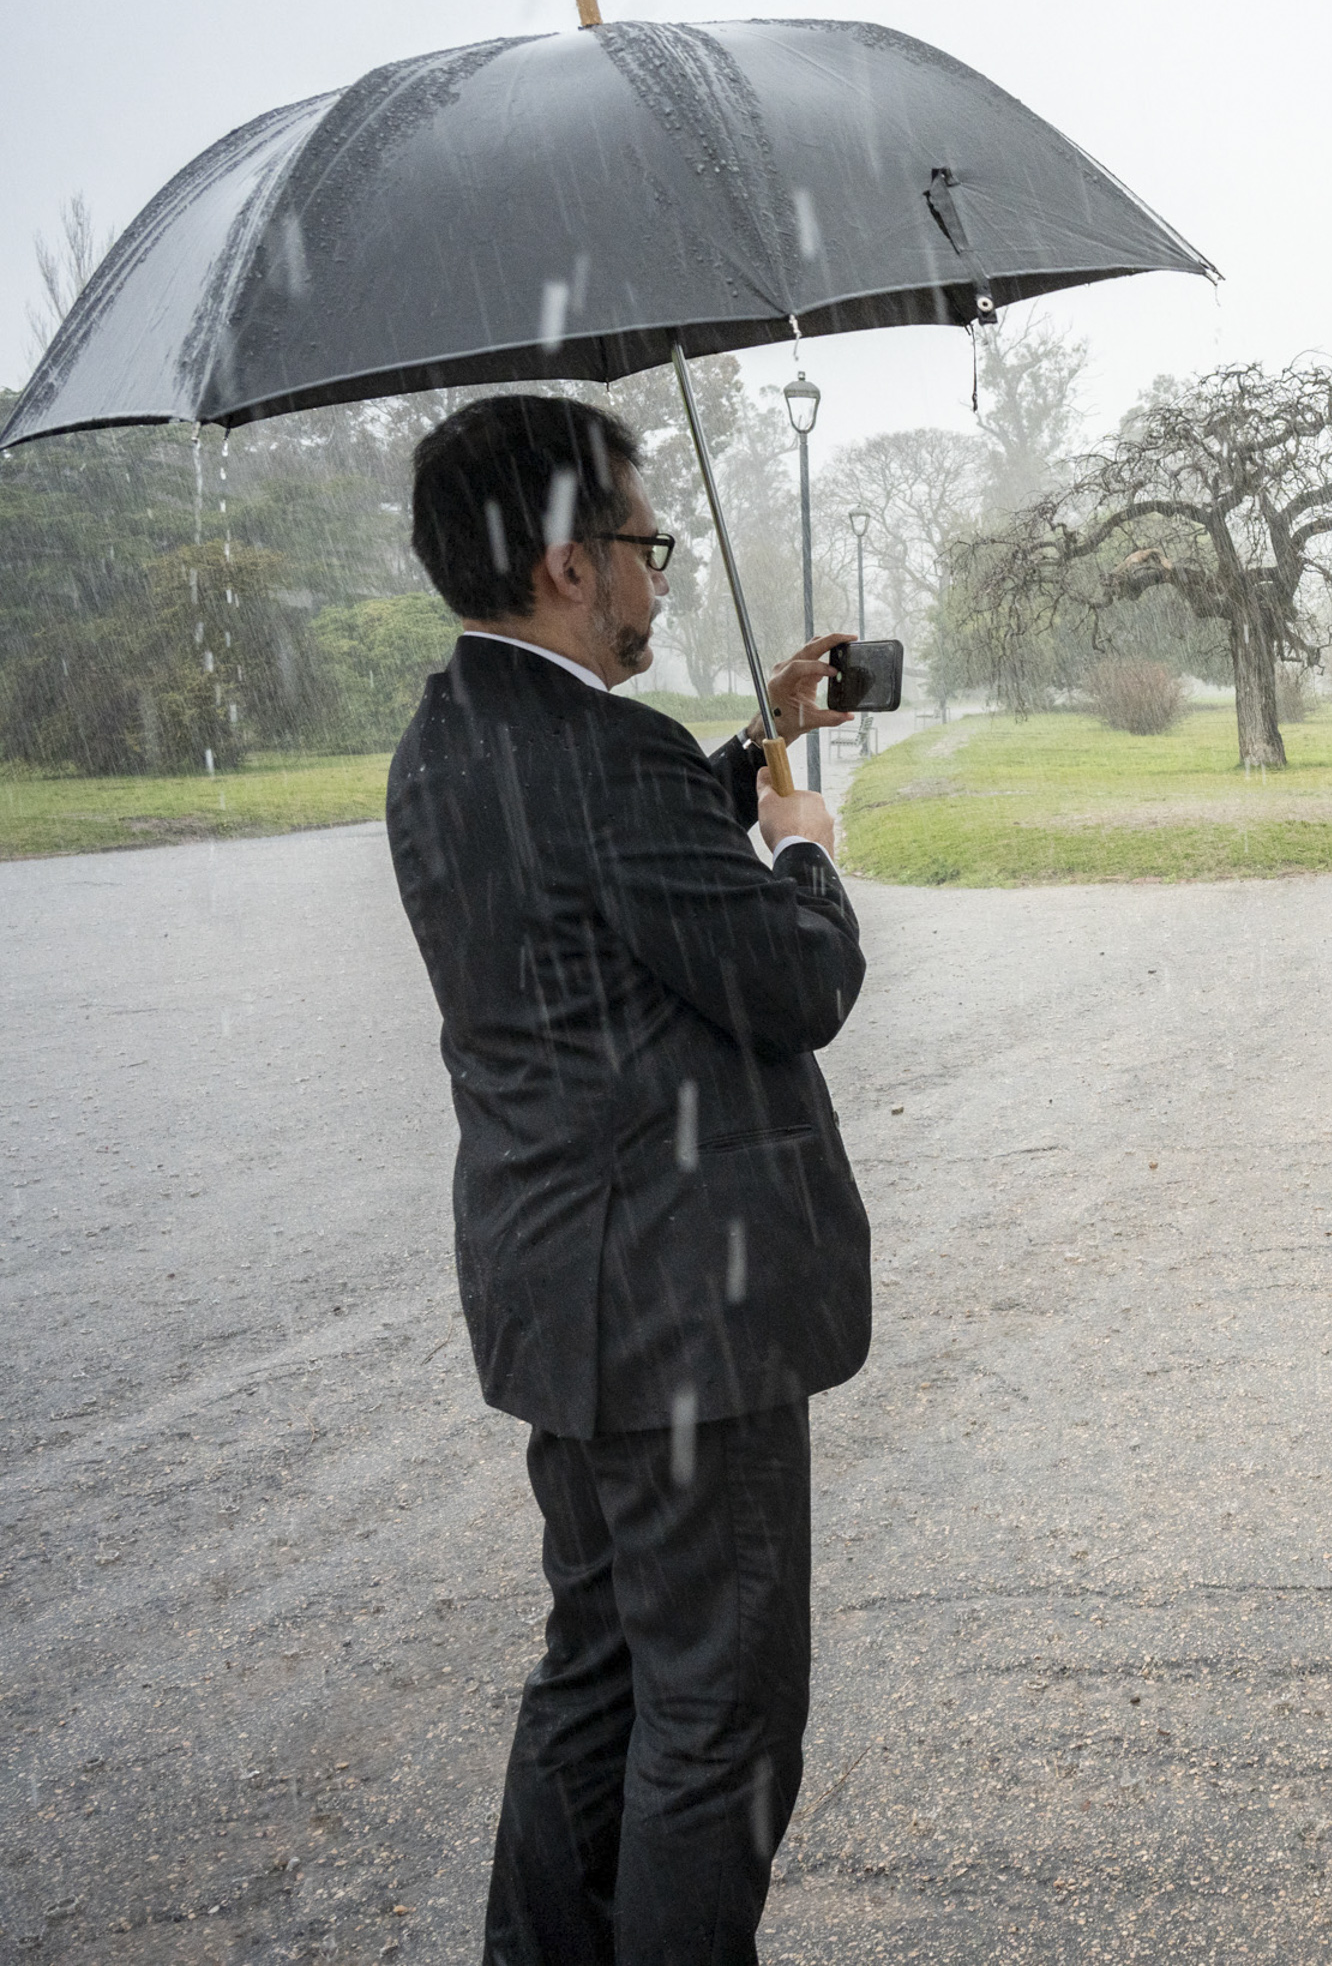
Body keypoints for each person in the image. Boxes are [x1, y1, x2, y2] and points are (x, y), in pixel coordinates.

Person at [385, 395, 869, 1962]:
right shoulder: (609, 759)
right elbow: (795, 986)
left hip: (560, 1305)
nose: (658, 582)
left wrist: (749, 753)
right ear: (566, 563)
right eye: (645, 549)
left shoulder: (450, 741)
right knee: (717, 1718)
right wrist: (804, 844)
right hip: (686, 1318)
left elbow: (591, 877)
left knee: (596, 1672)